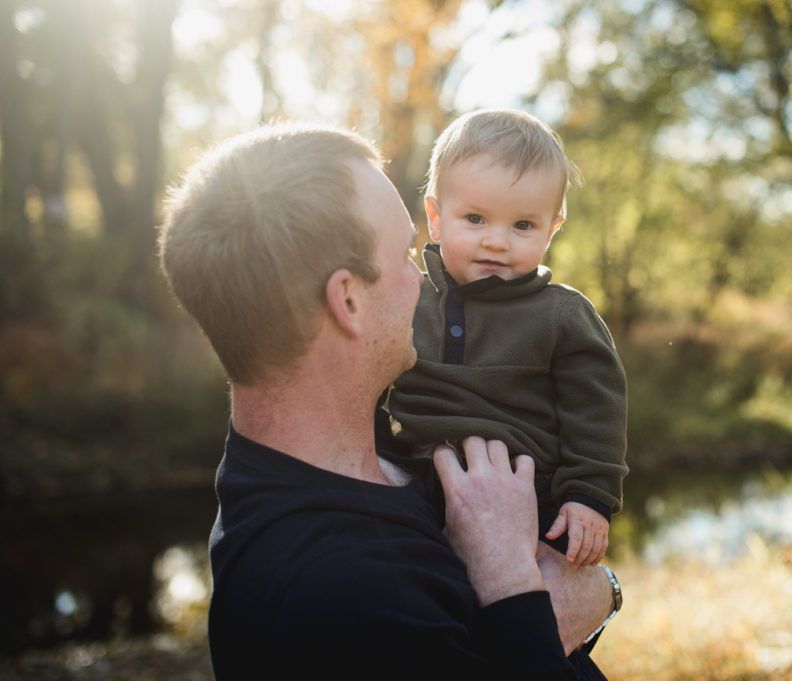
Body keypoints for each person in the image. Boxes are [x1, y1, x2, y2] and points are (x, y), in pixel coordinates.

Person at [157, 123, 620, 679]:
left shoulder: (308, 465)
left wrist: (597, 584)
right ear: (348, 300)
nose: (422, 280)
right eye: (405, 255)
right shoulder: (345, 592)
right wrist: (515, 588)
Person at [385, 109, 628, 566]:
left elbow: (596, 408)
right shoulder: (407, 297)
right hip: (415, 476)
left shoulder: (560, 313)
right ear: (436, 219)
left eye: (522, 226)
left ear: (551, 230)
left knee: (529, 594)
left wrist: (589, 496)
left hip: (528, 489)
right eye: (475, 218)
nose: (497, 242)